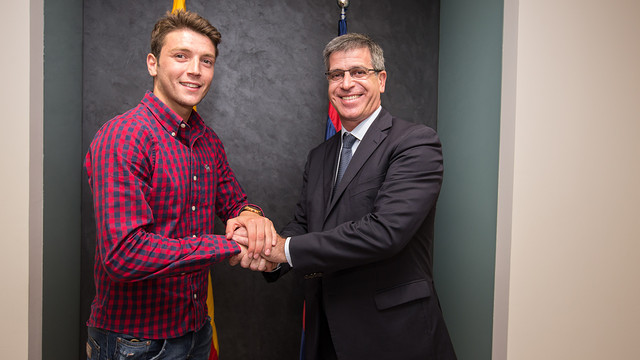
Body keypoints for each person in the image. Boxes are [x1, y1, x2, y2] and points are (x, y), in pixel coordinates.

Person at [232, 33, 457, 359]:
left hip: (395, 336)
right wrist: (269, 257)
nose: (346, 83)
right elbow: (304, 224)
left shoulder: (415, 143)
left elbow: (385, 233)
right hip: (327, 336)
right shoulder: (320, 156)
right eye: (336, 75)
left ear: (381, 80)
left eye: (358, 72)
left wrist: (285, 249)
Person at [84, 10, 275, 360]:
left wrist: (253, 218)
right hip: (136, 342)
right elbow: (124, 254)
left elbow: (236, 202)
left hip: (196, 331)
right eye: (181, 56)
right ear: (153, 63)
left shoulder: (207, 141)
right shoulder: (124, 138)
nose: (195, 70)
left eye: (207, 61)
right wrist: (227, 246)